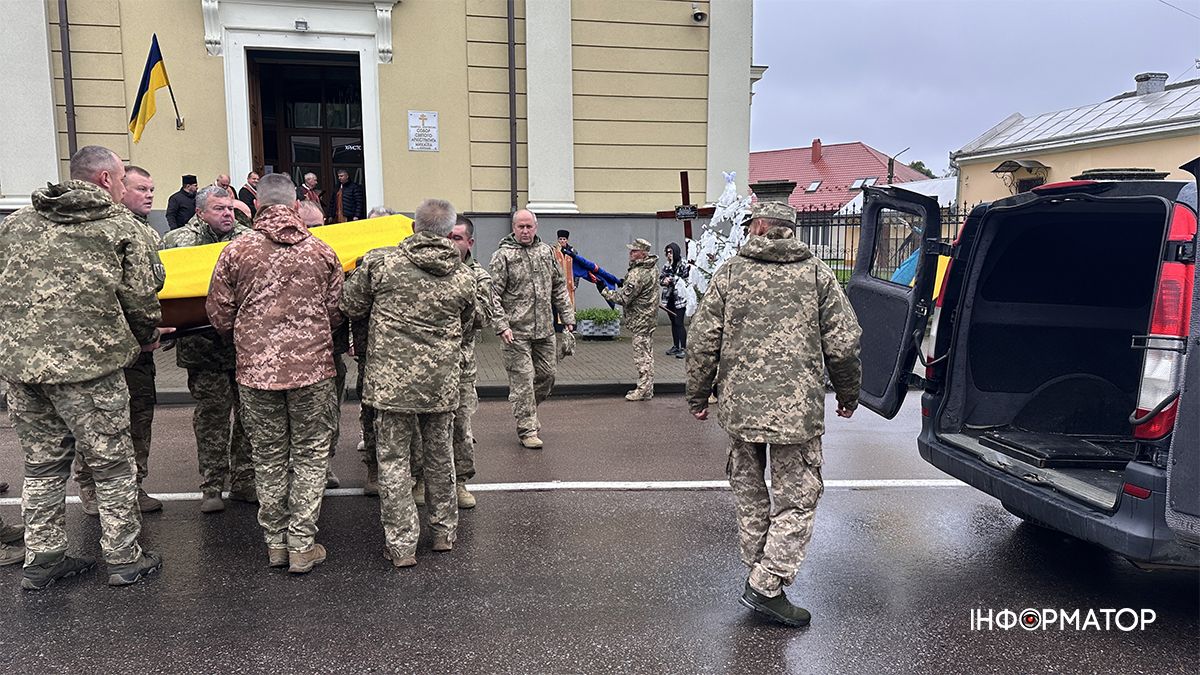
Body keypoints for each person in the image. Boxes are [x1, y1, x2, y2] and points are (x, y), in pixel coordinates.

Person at [685, 201, 862, 628]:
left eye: (751, 225)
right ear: (789, 230)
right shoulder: (817, 273)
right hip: (796, 414)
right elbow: (844, 341)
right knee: (797, 499)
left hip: (741, 410)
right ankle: (767, 584)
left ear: (760, 227)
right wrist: (848, 393)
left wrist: (697, 395)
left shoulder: (730, 272)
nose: (748, 231)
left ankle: (759, 572)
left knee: (749, 492)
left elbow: (702, 339)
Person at [0, 145, 165, 589]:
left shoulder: (15, 225)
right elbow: (143, 295)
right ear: (108, 180)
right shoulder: (120, 227)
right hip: (90, 370)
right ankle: (124, 556)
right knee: (112, 464)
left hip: (22, 369)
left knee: (41, 465)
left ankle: (43, 559)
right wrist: (146, 335)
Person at [207, 172, 344, 574]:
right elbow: (337, 311)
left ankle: (275, 544)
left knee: (266, 455)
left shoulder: (236, 252)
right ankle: (302, 542)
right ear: (297, 205)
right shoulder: (322, 252)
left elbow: (218, 313)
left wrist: (251, 338)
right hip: (313, 371)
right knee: (311, 454)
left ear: (257, 205)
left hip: (255, 373)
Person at [341, 198, 476, 567]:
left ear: (413, 227)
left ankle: (402, 546)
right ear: (450, 233)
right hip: (440, 384)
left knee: (394, 463)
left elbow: (350, 305)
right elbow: (468, 325)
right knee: (439, 457)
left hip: (390, 385)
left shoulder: (382, 264)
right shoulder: (463, 275)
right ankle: (444, 533)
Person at [74, 165, 167, 515]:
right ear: (118, 187)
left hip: (140, 351)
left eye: (152, 189)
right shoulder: (100, 231)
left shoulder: (147, 234)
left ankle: (135, 485)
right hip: (105, 350)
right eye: (141, 188)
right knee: (98, 425)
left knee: (139, 417)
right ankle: (90, 486)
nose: (149, 195)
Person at [163, 186, 256, 513]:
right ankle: (213, 484)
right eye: (219, 209)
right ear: (200, 212)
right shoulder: (178, 242)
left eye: (230, 208)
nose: (228, 214)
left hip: (243, 349)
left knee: (249, 418)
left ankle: (245, 480)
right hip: (202, 351)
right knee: (212, 418)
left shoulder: (248, 240)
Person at [489, 209, 574, 448]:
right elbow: (492, 295)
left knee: (547, 377)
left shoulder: (546, 252)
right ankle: (527, 429)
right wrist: (501, 325)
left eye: (529, 227)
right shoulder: (502, 256)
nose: (525, 231)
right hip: (515, 334)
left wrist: (567, 317)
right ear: (513, 228)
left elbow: (558, 286)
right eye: (520, 227)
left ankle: (527, 410)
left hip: (545, 330)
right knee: (523, 381)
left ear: (536, 227)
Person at [446, 214, 496, 508]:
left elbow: (484, 317)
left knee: (460, 427)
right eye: (447, 237)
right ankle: (421, 478)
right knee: (421, 429)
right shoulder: (426, 269)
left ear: (469, 243)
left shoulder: (477, 275)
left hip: (461, 365)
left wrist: (455, 290)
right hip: (426, 367)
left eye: (457, 238)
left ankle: (460, 481)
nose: (451, 244)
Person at [299, 199, 345, 489]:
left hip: (329, 352)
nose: (319, 232)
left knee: (329, 414)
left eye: (322, 225)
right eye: (312, 227)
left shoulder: (331, 254)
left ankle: (324, 464)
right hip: (297, 357)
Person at [601, 238, 659, 401]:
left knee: (642, 356)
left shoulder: (637, 273)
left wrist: (605, 292)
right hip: (648, 318)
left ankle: (642, 389)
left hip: (641, 319)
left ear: (643, 253)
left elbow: (623, 299)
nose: (630, 253)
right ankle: (648, 388)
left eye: (634, 251)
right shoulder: (652, 267)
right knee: (648, 354)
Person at [661, 242, 689, 357]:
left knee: (679, 322)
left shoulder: (683, 264)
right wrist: (664, 281)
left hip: (680, 298)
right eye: (667, 252)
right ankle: (676, 346)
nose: (669, 255)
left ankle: (684, 347)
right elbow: (661, 278)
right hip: (669, 298)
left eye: (670, 252)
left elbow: (685, 279)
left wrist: (671, 279)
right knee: (673, 322)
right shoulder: (666, 265)